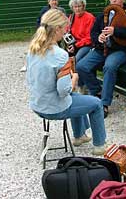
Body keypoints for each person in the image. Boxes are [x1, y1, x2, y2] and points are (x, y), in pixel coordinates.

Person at [26, 9, 106, 155]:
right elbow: (64, 91)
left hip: (37, 104)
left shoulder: (33, 49)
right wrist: (74, 78)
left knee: (77, 98)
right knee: (96, 104)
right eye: (64, 29)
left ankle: (79, 136)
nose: (66, 32)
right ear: (57, 29)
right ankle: (100, 145)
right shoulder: (60, 54)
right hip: (54, 108)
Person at [77, 0, 126, 118]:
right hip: (101, 49)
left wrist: (115, 31)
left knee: (109, 67)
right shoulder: (104, 13)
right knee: (81, 66)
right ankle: (97, 91)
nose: (114, 0)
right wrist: (98, 38)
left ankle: (104, 104)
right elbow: (93, 32)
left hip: (119, 51)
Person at [66, 0, 96, 93]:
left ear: (83, 6)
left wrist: (76, 45)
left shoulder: (90, 17)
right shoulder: (71, 17)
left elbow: (89, 38)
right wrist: (70, 45)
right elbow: (67, 33)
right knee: (64, 59)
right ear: (72, 8)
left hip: (87, 45)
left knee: (77, 60)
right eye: (75, 7)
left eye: (79, 6)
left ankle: (81, 86)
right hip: (75, 44)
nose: (77, 9)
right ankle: (68, 84)